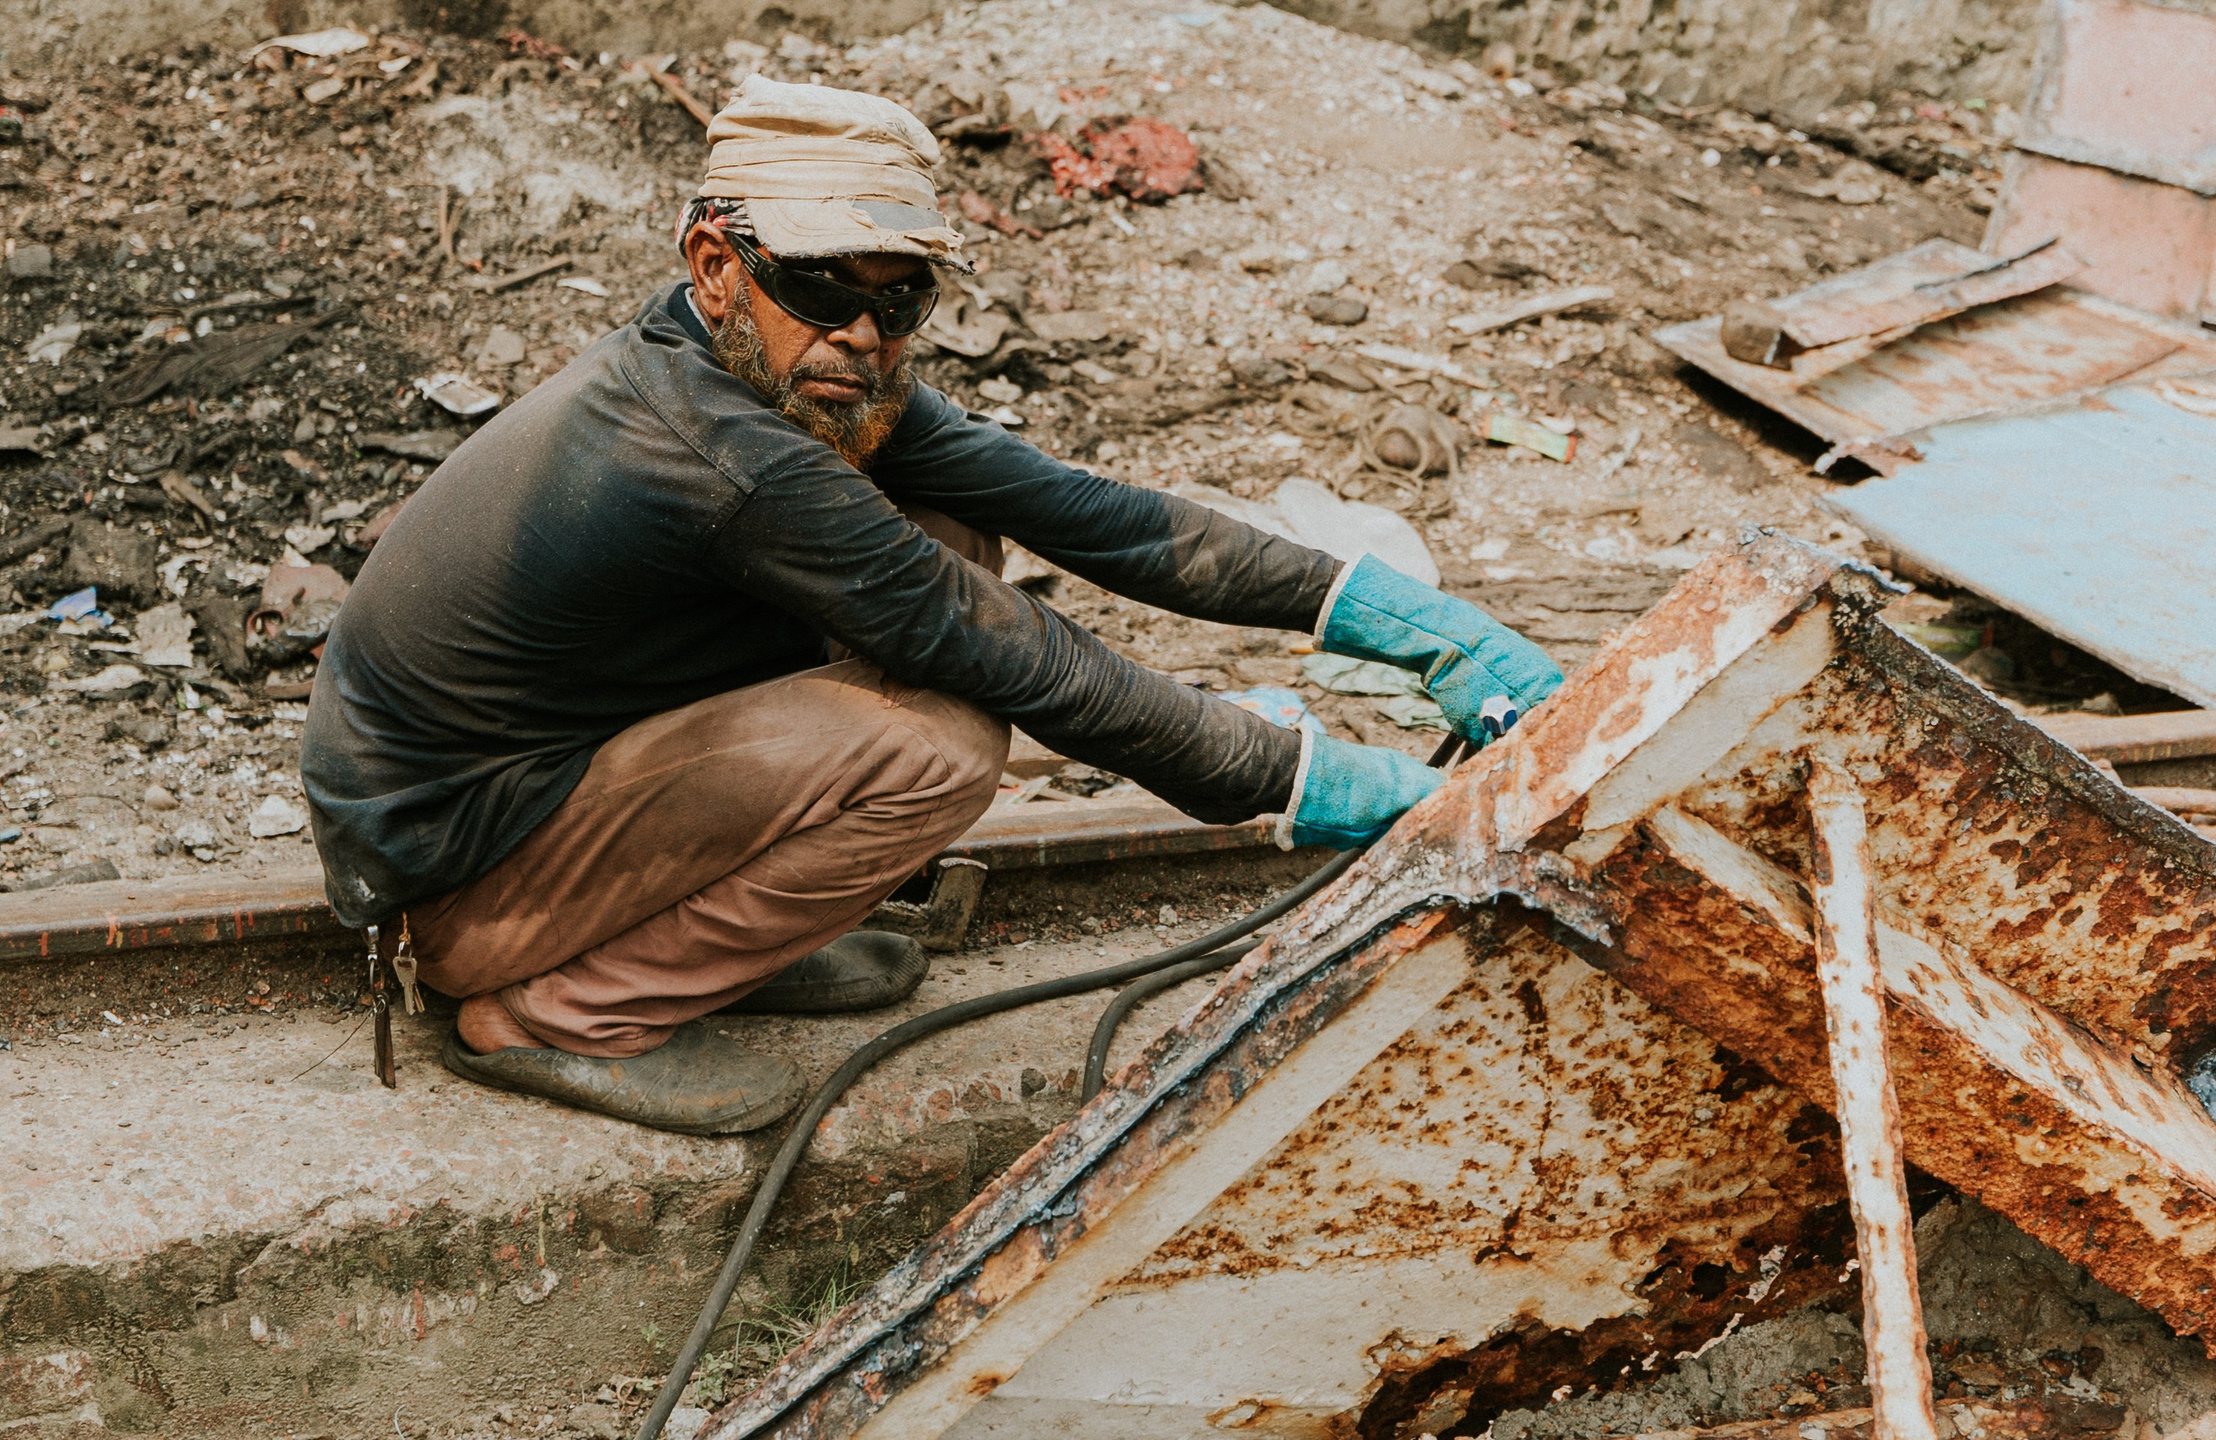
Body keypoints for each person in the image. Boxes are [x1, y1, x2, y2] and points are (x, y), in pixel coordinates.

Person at [298, 77, 1562, 1135]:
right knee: (937, 745)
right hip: (461, 884)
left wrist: (1408, 626)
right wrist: (1324, 787)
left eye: (899, 298)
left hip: (552, 789)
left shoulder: (770, 373)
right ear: (715, 265)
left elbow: (1100, 518)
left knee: (955, 531)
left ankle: (710, 943)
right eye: (822, 291)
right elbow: (1035, 669)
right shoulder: (714, 454)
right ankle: (561, 1012)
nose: (864, 331)